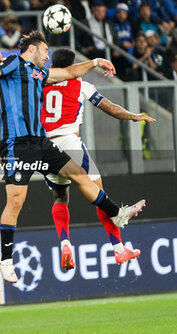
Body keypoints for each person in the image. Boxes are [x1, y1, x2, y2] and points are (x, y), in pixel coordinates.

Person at [0, 30, 146, 283]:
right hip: (17, 145)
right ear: (32, 49)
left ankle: (117, 213)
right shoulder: (13, 62)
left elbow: (68, 72)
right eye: (45, 51)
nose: (47, 56)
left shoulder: (41, 74)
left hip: (42, 142)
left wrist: (96, 62)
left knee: (78, 174)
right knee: (16, 201)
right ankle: (6, 260)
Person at [41, 48, 155, 270]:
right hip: (70, 143)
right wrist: (134, 116)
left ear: (53, 66)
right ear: (73, 67)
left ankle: (65, 243)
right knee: (98, 192)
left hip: (47, 145)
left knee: (60, 197)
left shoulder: (42, 83)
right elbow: (110, 108)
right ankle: (119, 247)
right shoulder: (81, 85)